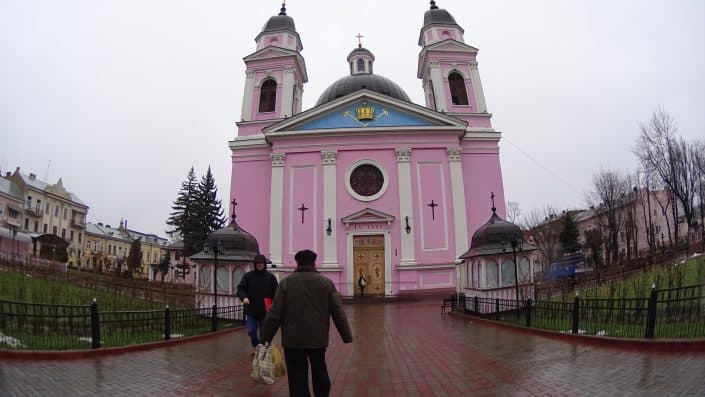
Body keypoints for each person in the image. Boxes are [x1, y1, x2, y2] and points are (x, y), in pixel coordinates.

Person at [261, 249, 352, 397]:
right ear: (314, 262)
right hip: (318, 338)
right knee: (319, 368)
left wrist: (265, 339)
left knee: (297, 376)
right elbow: (338, 312)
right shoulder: (326, 283)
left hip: (292, 340)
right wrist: (346, 336)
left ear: (297, 263)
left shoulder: (286, 283)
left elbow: (274, 314)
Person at [237, 254, 278, 350]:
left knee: (264, 332)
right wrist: (244, 297)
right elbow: (240, 288)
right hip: (251, 310)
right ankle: (256, 345)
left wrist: (274, 305)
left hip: (265, 311)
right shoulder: (248, 276)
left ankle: (261, 349)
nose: (259, 265)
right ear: (254, 264)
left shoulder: (270, 277)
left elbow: (276, 293)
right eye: (257, 263)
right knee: (252, 331)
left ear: (264, 264)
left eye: (261, 263)